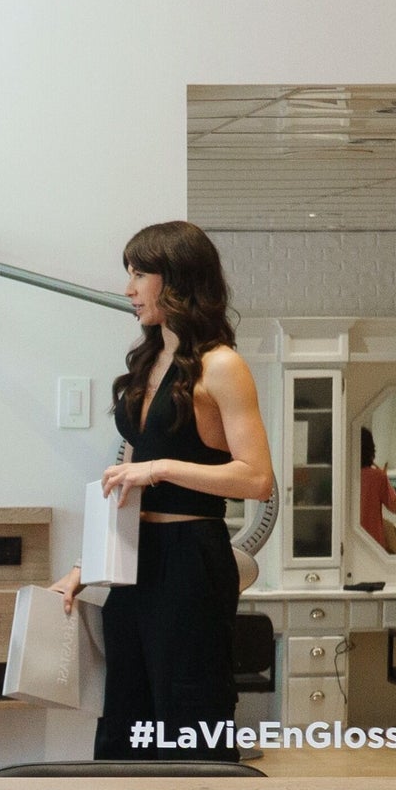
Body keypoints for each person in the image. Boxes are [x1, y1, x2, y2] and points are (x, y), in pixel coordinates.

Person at [54, 221, 276, 759]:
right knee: (125, 719)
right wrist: (88, 565)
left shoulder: (223, 365)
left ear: (176, 279)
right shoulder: (148, 361)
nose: (129, 289)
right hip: (132, 564)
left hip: (190, 563)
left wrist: (158, 469)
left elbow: (257, 477)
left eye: (139, 274)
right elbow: (125, 480)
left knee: (188, 719)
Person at [358, 428, 396, 554]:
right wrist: (384, 477)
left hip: (349, 542)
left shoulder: (343, 476)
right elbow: (395, 507)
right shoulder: (378, 477)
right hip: (373, 543)